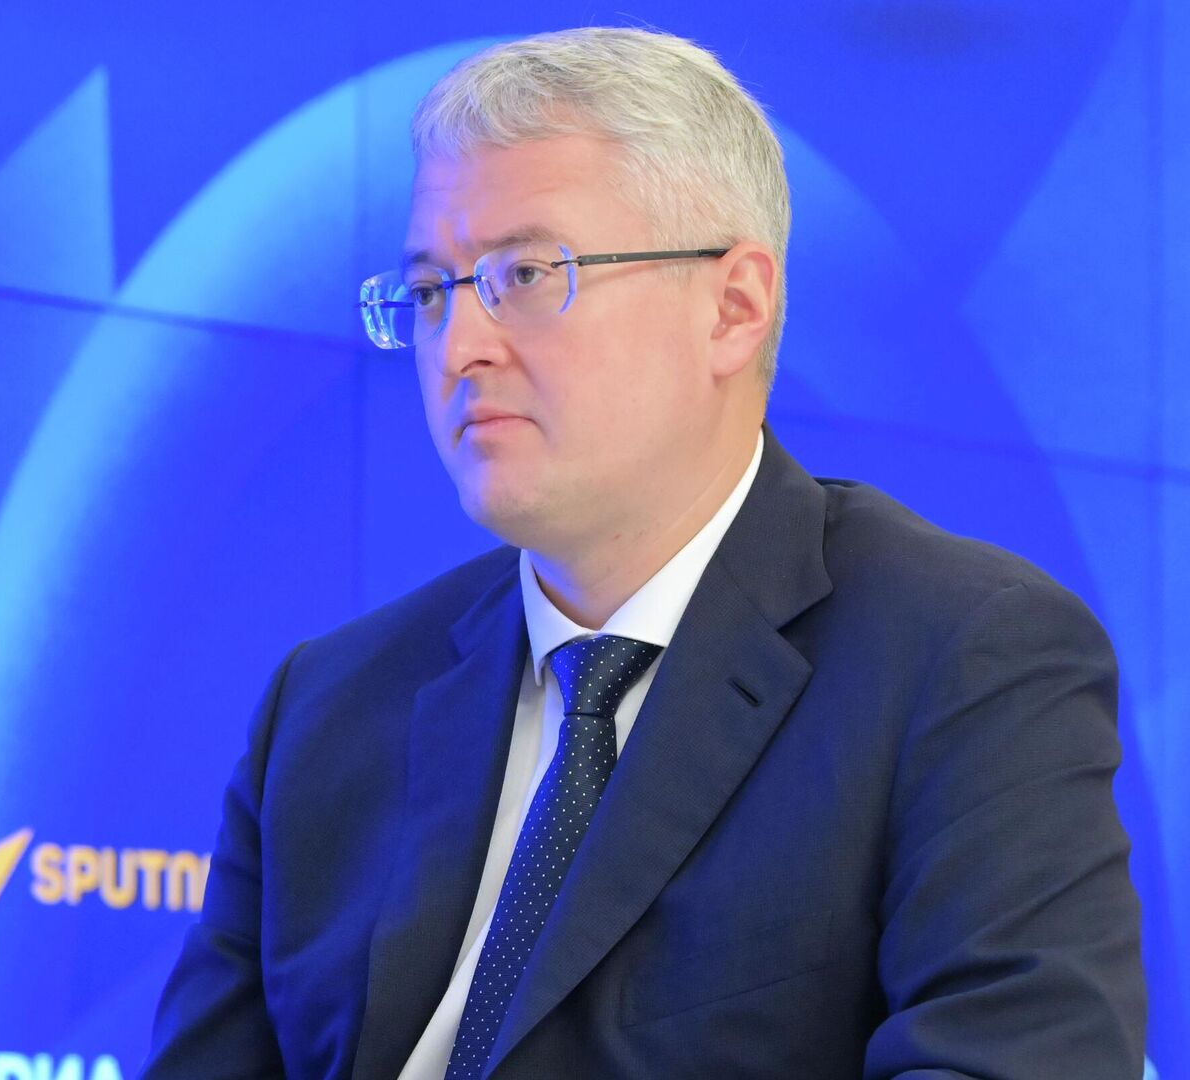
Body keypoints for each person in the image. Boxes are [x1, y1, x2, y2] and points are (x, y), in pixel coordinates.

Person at [141, 25, 1147, 1080]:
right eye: (433, 293)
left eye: (528, 273)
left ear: (734, 308)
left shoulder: (962, 659)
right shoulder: (328, 711)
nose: (461, 348)